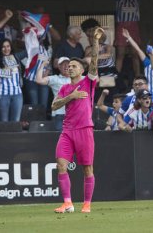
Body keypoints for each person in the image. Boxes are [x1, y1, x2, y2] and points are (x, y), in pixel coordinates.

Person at [51, 27, 103, 213]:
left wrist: (95, 41)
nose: (70, 67)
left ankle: (87, 204)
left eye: (73, 66)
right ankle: (67, 203)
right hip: (67, 131)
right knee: (61, 165)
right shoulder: (65, 89)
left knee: (87, 169)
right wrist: (70, 97)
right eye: (69, 66)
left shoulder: (88, 82)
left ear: (82, 69)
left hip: (84, 129)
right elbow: (54, 106)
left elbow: (95, 62)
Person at [107, 0, 152, 75]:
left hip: (133, 26)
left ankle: (138, 76)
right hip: (121, 26)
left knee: (135, 54)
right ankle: (117, 78)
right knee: (120, 54)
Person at [123, 27, 153, 93]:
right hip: (149, 94)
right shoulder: (147, 63)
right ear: (152, 54)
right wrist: (128, 37)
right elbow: (138, 50)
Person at [36, 57, 71, 130]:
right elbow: (39, 80)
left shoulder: (76, 78)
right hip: (59, 114)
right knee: (59, 138)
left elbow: (95, 79)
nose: (66, 66)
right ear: (59, 67)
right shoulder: (55, 78)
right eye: (63, 64)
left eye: (68, 64)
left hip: (74, 114)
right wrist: (42, 65)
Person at [0, 38, 27, 122]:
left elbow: (28, 51)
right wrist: (8, 69)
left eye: (8, 46)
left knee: (16, 121)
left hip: (17, 94)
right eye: (3, 47)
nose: (6, 49)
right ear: (0, 48)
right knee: (4, 121)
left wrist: (27, 39)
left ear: (11, 47)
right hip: (2, 94)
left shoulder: (16, 56)